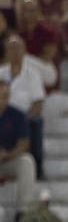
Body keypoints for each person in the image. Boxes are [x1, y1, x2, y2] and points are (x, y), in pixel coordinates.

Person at [0, 79, 36, 213]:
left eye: (4, 96)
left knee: (26, 161)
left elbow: (24, 144)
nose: (1, 100)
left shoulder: (18, 116)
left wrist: (7, 154)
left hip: (8, 160)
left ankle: (23, 211)